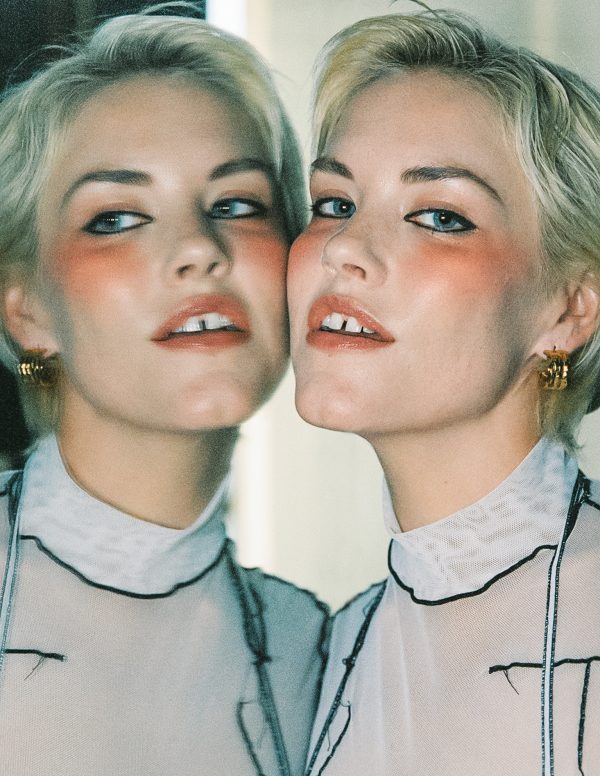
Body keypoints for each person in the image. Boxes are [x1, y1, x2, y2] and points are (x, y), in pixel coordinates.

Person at [0, 9, 328, 775]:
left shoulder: (310, 650)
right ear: (27, 310)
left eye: (238, 205)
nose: (197, 250)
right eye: (117, 218)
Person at [288, 10, 600, 775]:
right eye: (334, 203)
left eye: (439, 216)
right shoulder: (329, 658)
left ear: (569, 309)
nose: (344, 248)